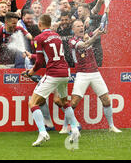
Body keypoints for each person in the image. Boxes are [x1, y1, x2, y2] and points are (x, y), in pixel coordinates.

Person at [25, 14, 80, 147]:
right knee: (63, 101)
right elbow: (52, 55)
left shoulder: (39, 38)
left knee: (32, 103)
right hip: (65, 72)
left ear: (40, 24)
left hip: (53, 74)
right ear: (50, 24)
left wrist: (30, 72)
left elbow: (39, 62)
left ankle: (43, 132)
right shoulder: (57, 36)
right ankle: (74, 128)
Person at [67, 19, 121, 133]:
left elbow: (101, 28)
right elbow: (85, 44)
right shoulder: (72, 41)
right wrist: (96, 35)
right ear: (73, 29)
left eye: (82, 25)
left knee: (106, 100)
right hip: (82, 74)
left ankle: (111, 126)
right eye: (78, 26)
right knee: (74, 102)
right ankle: (66, 125)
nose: (81, 28)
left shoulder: (88, 35)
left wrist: (102, 28)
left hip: (95, 73)